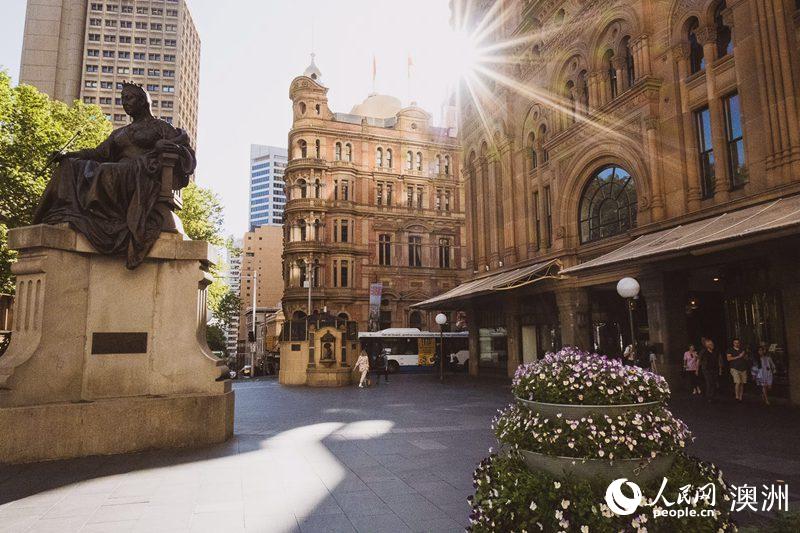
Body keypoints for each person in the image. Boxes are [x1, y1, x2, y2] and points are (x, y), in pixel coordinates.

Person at [34, 83, 195, 269]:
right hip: (118, 172)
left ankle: (95, 209)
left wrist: (169, 148)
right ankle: (68, 212)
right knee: (70, 166)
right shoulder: (120, 133)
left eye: (129, 98)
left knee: (105, 170)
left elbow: (184, 149)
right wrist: (69, 155)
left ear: (143, 101)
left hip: (142, 173)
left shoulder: (160, 127)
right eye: (123, 99)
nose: (125, 103)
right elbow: (97, 153)